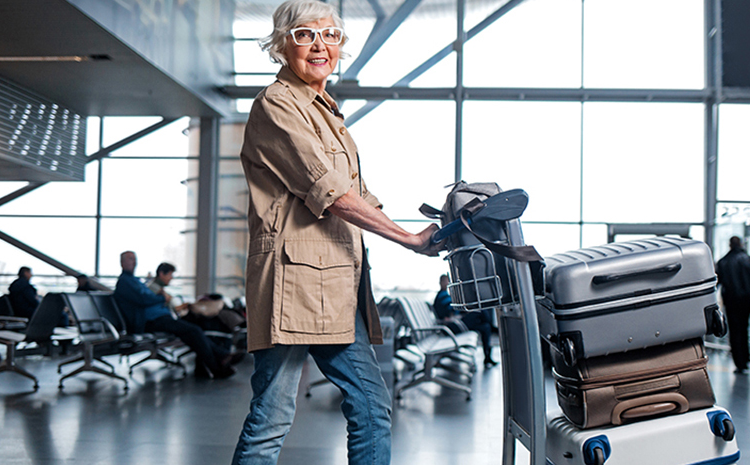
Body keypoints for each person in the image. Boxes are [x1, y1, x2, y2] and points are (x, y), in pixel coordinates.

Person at [231, 2, 440, 464]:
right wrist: (408, 239)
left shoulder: (328, 113)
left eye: (330, 36)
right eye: (305, 35)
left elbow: (360, 194)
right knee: (272, 418)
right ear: (282, 44)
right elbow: (329, 192)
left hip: (336, 288)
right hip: (294, 287)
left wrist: (428, 234)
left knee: (371, 408)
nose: (320, 45)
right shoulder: (277, 104)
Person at [112, 251, 238, 379]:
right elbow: (144, 299)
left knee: (194, 331)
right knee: (194, 330)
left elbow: (148, 297)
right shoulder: (132, 283)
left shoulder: (135, 281)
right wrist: (163, 298)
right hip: (150, 321)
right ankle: (219, 362)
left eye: (135, 259)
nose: (134, 262)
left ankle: (217, 362)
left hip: (158, 318)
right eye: (130, 259)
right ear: (122, 262)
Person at [716, 236, 750, 374]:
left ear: (729, 245)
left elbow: (716, 284)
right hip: (747, 300)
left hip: (731, 300)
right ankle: (746, 359)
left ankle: (739, 361)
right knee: (744, 328)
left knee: (734, 330)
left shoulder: (723, 262)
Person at [434, 274, 497, 367]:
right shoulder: (442, 295)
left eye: (448, 281)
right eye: (445, 281)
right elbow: (451, 310)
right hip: (452, 326)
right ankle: (494, 329)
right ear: (440, 283)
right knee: (480, 311)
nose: (447, 283)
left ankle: (487, 356)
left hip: (456, 323)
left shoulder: (443, 295)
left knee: (485, 327)